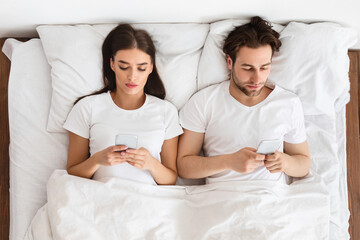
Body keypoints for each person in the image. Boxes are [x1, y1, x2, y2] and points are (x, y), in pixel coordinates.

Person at [177, 16, 310, 184]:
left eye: (264, 67)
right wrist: (227, 161)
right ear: (230, 62)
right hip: (220, 198)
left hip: (270, 199)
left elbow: (303, 163)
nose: (257, 79)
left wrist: (285, 162)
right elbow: (183, 166)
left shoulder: (288, 103)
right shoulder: (204, 101)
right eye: (248, 68)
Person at [64, 24, 183, 185]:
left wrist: (152, 164)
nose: (132, 76)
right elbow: (72, 173)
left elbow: (170, 179)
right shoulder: (88, 107)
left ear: (151, 68)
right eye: (124, 67)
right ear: (112, 64)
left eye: (141, 68)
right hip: (101, 196)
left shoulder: (166, 111)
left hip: (148, 201)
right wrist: (97, 160)